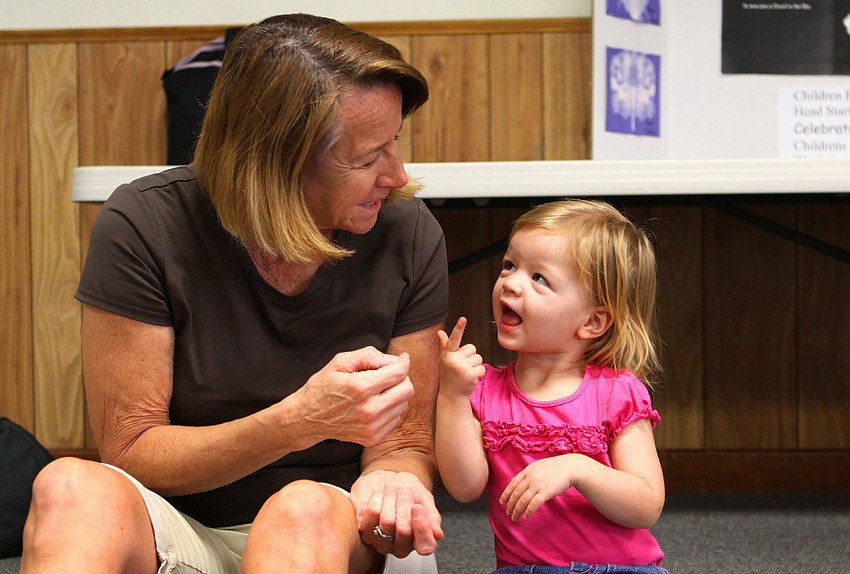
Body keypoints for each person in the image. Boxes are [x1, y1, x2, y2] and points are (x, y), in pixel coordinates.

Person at [22, 13, 447, 574]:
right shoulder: (144, 223)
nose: (395, 174)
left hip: (336, 528)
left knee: (300, 510)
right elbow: (132, 452)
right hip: (184, 526)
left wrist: (394, 482)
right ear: (277, 161)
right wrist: (298, 421)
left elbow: (405, 442)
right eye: (367, 158)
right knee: (69, 485)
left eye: (393, 143)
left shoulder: (409, 233)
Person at [436, 199, 667, 573]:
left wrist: (578, 469)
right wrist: (451, 396)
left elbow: (646, 504)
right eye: (510, 266)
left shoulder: (617, 393)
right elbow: (465, 487)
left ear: (592, 322)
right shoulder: (485, 390)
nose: (510, 282)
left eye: (538, 278)